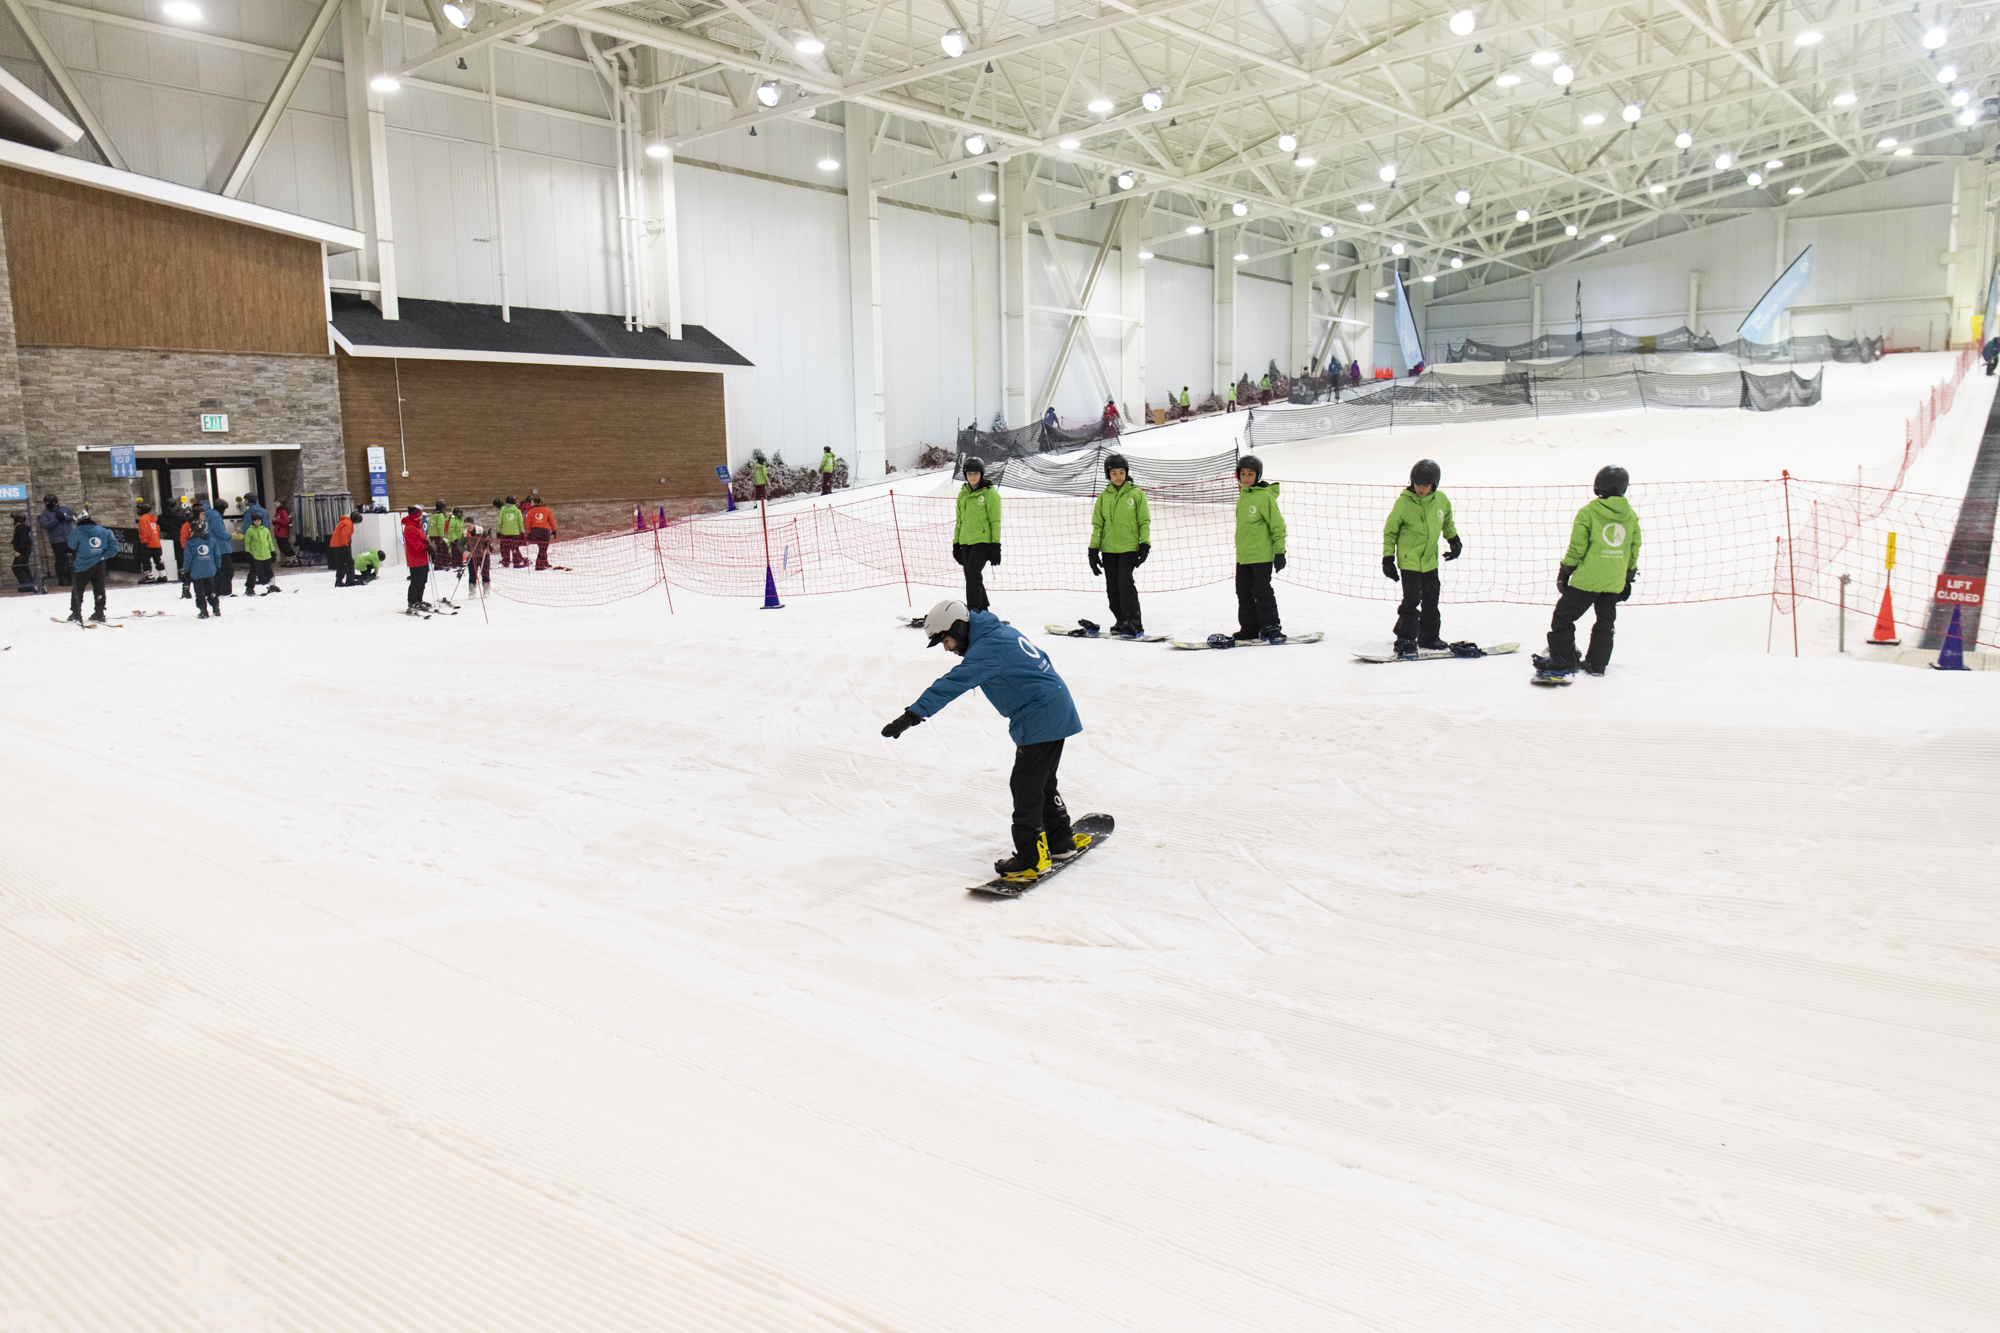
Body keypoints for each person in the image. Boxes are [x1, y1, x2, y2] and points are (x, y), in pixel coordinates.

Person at [880, 598, 1088, 882]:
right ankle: (1060, 842)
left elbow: (949, 686)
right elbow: (1043, 658)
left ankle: (1031, 859)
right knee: (1042, 782)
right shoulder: (1002, 632)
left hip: (1040, 716)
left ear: (959, 627)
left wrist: (912, 715)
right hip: (1056, 707)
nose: (947, 648)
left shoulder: (985, 651)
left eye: (947, 640)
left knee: (1026, 787)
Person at [1536, 465, 1641, 677]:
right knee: (1605, 621)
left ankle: (1564, 658)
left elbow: (1577, 547)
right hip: (1613, 581)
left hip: (1587, 580)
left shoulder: (1589, 512)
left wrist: (1565, 572)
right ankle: (1597, 663)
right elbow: (1633, 549)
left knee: (1563, 617)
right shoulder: (1630, 516)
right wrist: (1627, 579)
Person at [1381, 458, 1462, 657]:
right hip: (1409, 560)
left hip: (1430, 561)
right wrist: (1388, 559)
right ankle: (1405, 639)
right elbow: (1390, 532)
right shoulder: (1403, 504)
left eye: (1426, 485)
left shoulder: (1441, 500)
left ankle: (1429, 637)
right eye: (1418, 484)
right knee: (1412, 599)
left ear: (1434, 484)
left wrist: (1454, 541)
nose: (1421, 489)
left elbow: (1447, 522)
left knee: (1431, 598)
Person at [1088, 452, 1150, 636]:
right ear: (1108, 475)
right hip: (1108, 550)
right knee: (1112, 586)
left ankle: (1134, 621)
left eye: (1121, 473)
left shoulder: (1136, 494)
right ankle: (1121, 619)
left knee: (1125, 583)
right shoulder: (1103, 497)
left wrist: (1144, 545)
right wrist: (1093, 550)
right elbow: (1098, 525)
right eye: (1114, 473)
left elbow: (1144, 522)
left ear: (1126, 473)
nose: (1118, 477)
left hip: (1128, 548)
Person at [1232, 454, 1286, 642]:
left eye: (1250, 474)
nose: (1246, 478)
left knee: (1262, 591)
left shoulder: (1264, 497)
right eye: (1243, 474)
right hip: (1244, 556)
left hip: (1262, 555)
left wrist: (1280, 552)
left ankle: (1271, 626)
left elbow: (1277, 526)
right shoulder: (1243, 497)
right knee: (1243, 592)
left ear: (1258, 475)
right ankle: (1250, 627)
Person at [952, 456, 1001, 612]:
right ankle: (984, 609)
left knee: (972, 572)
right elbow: (959, 521)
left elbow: (995, 521)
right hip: (966, 541)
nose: (972, 477)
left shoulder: (989, 493)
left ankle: (973, 610)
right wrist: (956, 543)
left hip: (983, 541)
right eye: (969, 474)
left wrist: (995, 545)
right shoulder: (963, 495)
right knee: (971, 575)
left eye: (976, 473)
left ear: (981, 474)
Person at [64, 508, 118, 623]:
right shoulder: (103, 531)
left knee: (78, 589)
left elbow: (71, 548)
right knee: (99, 588)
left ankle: (76, 612)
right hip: (99, 564)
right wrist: (104, 556)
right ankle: (99, 612)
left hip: (82, 565)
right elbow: (114, 546)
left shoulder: (76, 532)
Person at [181, 523, 223, 619]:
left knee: (200, 593)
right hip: (210, 571)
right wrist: (218, 567)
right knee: (212, 590)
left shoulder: (190, 543)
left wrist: (186, 571)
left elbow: (187, 559)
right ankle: (216, 608)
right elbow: (217, 555)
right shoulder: (211, 540)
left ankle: (203, 611)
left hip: (197, 572)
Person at [38, 494, 74, 585]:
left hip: (70, 538)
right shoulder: (45, 513)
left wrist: (65, 517)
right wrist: (57, 520)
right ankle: (62, 579)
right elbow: (45, 525)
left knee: (73, 558)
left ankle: (73, 578)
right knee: (60, 560)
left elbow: (75, 517)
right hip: (57, 541)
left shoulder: (65, 509)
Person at [402, 505, 431, 613]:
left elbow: (421, 539)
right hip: (415, 559)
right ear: (415, 517)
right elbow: (416, 545)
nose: (421, 518)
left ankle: (419, 600)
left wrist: (426, 542)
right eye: (419, 516)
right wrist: (427, 547)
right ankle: (412, 601)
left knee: (423, 580)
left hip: (422, 558)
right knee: (416, 581)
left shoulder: (417, 526)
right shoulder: (410, 528)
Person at [241, 511, 278, 595]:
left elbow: (269, 541)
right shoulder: (250, 531)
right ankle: (249, 588)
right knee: (253, 572)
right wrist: (248, 552)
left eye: (258, 520)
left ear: (261, 521)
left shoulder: (265, 530)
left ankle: (272, 585)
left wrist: (272, 551)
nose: (256, 522)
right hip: (255, 555)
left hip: (266, 554)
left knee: (269, 571)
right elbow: (247, 543)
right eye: (254, 521)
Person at [206, 498, 236, 595]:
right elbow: (220, 532)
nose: (225, 511)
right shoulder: (215, 516)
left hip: (214, 546)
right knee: (227, 570)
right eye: (224, 509)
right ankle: (224, 591)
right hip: (221, 547)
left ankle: (217, 590)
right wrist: (231, 536)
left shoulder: (210, 515)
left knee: (219, 570)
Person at [524, 494, 556, 569]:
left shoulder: (531, 511)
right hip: (544, 531)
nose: (530, 504)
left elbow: (528, 523)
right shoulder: (547, 510)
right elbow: (552, 521)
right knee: (543, 548)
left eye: (531, 502)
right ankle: (539, 564)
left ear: (535, 503)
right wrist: (554, 530)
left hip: (535, 531)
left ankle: (544, 562)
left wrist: (528, 532)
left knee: (542, 547)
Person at [135, 501, 165, 583]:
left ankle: (149, 577)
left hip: (148, 543)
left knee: (146, 560)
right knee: (158, 559)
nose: (137, 511)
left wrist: (144, 542)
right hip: (156, 542)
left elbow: (145, 531)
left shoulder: (143, 519)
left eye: (138, 509)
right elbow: (158, 530)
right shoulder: (154, 518)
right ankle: (163, 575)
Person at [328, 508, 356, 586]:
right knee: (350, 562)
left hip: (335, 545)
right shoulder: (348, 523)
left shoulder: (343, 521)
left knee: (341, 563)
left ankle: (338, 581)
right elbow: (344, 535)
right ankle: (350, 580)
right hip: (342, 545)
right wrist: (345, 545)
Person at [496, 495, 526, 567]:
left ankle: (506, 562)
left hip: (505, 533)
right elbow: (520, 523)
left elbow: (500, 522)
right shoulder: (517, 511)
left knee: (505, 548)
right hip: (515, 533)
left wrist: (498, 531)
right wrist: (522, 532)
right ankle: (516, 562)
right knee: (515, 548)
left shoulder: (502, 510)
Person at [12, 512, 34, 593]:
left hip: (22, 551)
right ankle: (30, 584)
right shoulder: (23, 527)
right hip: (25, 550)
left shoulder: (20, 528)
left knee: (16, 567)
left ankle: (26, 585)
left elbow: (22, 541)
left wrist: (18, 551)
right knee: (24, 567)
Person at [427, 500, 452, 567]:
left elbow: (430, 524)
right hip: (437, 535)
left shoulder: (433, 514)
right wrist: (441, 536)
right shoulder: (441, 515)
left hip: (432, 534)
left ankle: (444, 562)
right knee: (442, 549)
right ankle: (439, 564)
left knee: (443, 548)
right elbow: (440, 526)